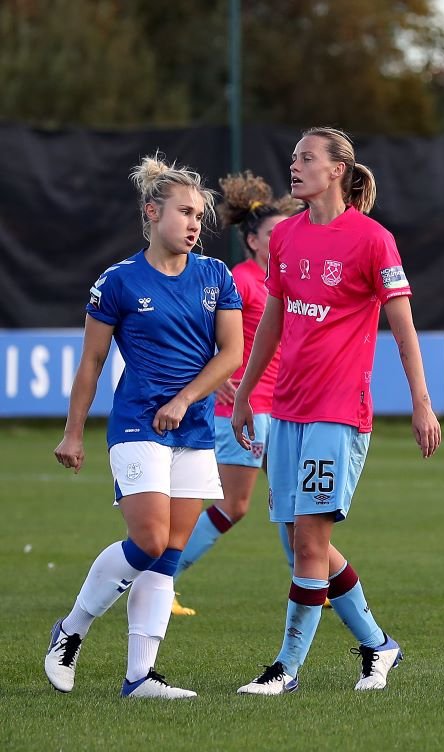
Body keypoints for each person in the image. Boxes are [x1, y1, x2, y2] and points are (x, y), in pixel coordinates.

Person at [233, 127, 442, 695]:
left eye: (306, 158)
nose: (293, 166)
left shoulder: (373, 240)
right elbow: (272, 324)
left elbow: (403, 329)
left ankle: (286, 668)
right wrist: (249, 393)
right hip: (287, 411)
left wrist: (422, 404)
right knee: (300, 543)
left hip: (337, 412)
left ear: (337, 171)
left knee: (307, 543)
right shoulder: (286, 238)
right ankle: (379, 645)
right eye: (293, 157)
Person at [46, 155, 243, 698]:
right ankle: (71, 630)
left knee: (170, 552)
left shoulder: (216, 275)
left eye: (200, 215)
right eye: (184, 212)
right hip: (138, 423)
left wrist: (186, 400)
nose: (195, 223)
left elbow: (232, 352)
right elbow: (91, 363)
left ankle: (139, 677)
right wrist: (72, 432)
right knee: (149, 538)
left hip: (194, 426)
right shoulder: (118, 281)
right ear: (152, 213)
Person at [171, 172, 302, 616]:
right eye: (273, 233)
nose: (284, 237)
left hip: (282, 408)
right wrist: (211, 374)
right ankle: (163, 578)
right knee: (235, 504)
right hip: (242, 409)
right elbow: (196, 330)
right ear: (252, 241)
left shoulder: (292, 282)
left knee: (292, 498)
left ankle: (308, 583)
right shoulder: (241, 280)